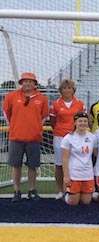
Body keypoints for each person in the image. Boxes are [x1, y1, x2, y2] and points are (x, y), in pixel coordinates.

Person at [3, 72, 49, 202]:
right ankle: (16, 191)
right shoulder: (12, 96)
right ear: (21, 82)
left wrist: (36, 128)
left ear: (35, 83)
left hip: (33, 138)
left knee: (32, 166)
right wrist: (15, 126)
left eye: (30, 81)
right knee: (16, 165)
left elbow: (44, 116)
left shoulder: (42, 98)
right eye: (25, 81)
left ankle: (32, 190)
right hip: (16, 137)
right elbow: (7, 113)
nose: (28, 83)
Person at [49, 79, 86, 200]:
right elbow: (52, 121)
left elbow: (83, 120)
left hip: (76, 136)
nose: (67, 90)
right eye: (64, 88)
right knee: (59, 164)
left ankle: (73, 189)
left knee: (75, 163)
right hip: (60, 136)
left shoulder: (80, 103)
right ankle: (60, 190)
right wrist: (62, 130)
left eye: (69, 88)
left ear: (73, 90)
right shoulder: (55, 104)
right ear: (61, 90)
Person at [61, 112, 97, 206]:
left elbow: (96, 154)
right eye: (80, 121)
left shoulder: (92, 137)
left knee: (86, 202)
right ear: (75, 122)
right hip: (74, 174)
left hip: (87, 173)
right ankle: (66, 194)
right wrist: (66, 176)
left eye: (85, 121)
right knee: (73, 203)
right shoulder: (68, 138)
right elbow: (65, 159)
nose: (83, 123)